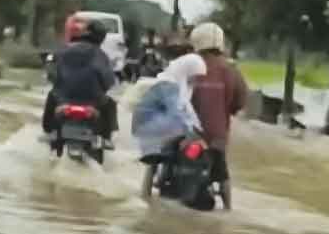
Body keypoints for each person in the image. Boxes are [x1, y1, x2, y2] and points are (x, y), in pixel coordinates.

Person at [188, 22, 248, 210]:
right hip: (216, 136)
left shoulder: (189, 65)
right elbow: (240, 101)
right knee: (222, 174)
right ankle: (228, 208)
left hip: (188, 133)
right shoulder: (232, 70)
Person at [42, 16, 120, 149]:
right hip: (93, 101)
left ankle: (49, 132)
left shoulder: (64, 50)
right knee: (111, 104)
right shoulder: (100, 55)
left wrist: (57, 83)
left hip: (63, 98)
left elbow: (52, 73)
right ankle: (106, 138)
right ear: (101, 38)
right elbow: (108, 81)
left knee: (51, 96)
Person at [130, 52, 207, 160]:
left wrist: (199, 128)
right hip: (148, 129)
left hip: (155, 128)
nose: (197, 80)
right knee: (184, 136)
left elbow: (188, 110)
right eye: (195, 76)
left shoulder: (181, 85)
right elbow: (176, 112)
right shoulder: (168, 85)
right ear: (187, 71)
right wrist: (192, 133)